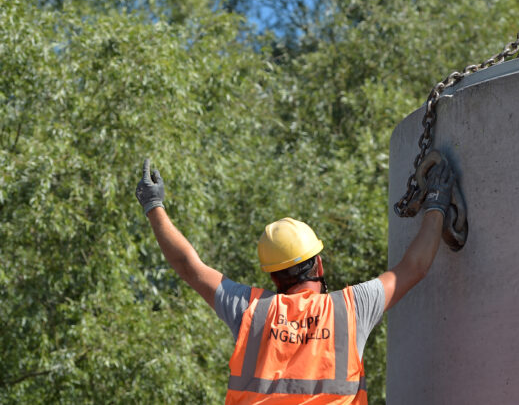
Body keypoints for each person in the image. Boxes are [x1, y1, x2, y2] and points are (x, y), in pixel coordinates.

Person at [135, 158, 455, 404]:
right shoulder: (351, 308)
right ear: (317, 262)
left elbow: (189, 266)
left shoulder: (251, 310)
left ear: (273, 275)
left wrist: (154, 205)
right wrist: (437, 204)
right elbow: (414, 267)